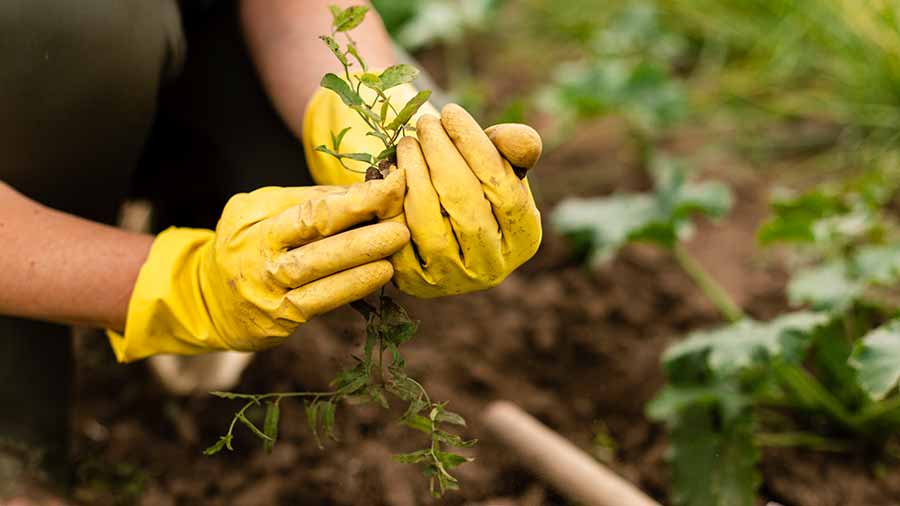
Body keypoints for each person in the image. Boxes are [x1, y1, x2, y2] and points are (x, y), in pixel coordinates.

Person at [0, 0, 542, 500]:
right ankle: (14, 438)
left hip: (175, 60)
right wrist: (176, 286)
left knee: (332, 98)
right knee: (71, 27)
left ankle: (181, 212)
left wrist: (383, 140)